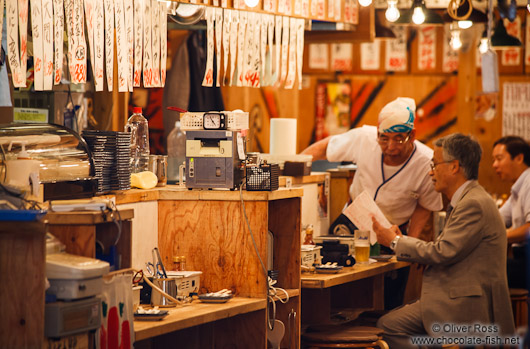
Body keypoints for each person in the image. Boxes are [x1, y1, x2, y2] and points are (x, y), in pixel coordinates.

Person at [372, 133, 515, 348]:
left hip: (465, 305)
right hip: (456, 296)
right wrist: (403, 242)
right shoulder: (468, 199)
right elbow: (450, 250)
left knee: (388, 326)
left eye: (434, 164)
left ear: (454, 167)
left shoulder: (472, 204)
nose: (430, 172)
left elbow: (442, 251)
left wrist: (394, 242)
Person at [302, 97, 443, 309]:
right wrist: (292, 167)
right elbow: (324, 148)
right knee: (341, 292)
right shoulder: (365, 138)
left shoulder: (426, 161)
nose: (390, 147)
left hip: (393, 232)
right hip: (350, 224)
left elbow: (425, 205)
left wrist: (409, 244)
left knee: (389, 301)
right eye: (384, 138)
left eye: (399, 139)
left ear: (412, 135)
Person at [492, 136, 530, 289]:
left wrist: (500, 236)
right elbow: (495, 219)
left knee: (481, 268)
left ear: (519, 158)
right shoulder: (517, 189)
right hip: (522, 258)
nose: (494, 165)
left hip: (527, 260)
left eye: (499, 159)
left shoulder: (528, 182)